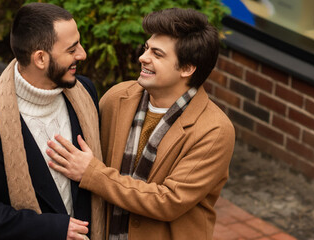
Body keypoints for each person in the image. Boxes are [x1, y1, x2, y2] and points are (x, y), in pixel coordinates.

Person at [46, 8, 235, 239]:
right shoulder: (117, 98)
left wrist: (92, 174)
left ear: (187, 68)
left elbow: (168, 202)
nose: (143, 57)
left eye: (157, 54)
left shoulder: (214, 130)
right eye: (146, 48)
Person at [0, 3, 104, 240]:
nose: (82, 54)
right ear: (40, 58)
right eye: (72, 49)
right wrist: (51, 229)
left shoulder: (86, 92)